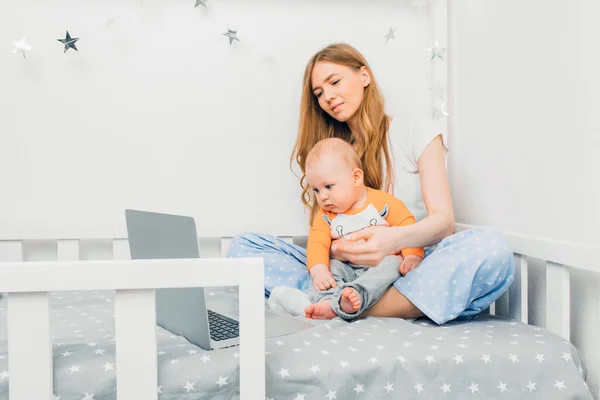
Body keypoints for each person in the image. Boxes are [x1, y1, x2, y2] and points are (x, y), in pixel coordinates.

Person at [227, 42, 514, 325]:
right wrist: (337, 252)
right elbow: (325, 229)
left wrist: (394, 240)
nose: (328, 96)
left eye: (334, 81)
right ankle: (353, 298)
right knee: (244, 246)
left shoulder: (416, 130)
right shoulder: (331, 154)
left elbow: (444, 221)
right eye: (319, 93)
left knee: (492, 248)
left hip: (406, 266)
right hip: (345, 268)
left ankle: (348, 306)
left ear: (364, 76)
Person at [302, 137, 424, 320]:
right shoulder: (326, 215)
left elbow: (406, 225)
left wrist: (413, 254)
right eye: (316, 190)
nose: (323, 197)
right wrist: (319, 269)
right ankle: (328, 302)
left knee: (393, 264)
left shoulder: (382, 203)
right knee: (330, 269)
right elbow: (316, 243)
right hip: (347, 266)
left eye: (328, 186)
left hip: (380, 264)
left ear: (356, 178)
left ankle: (358, 293)